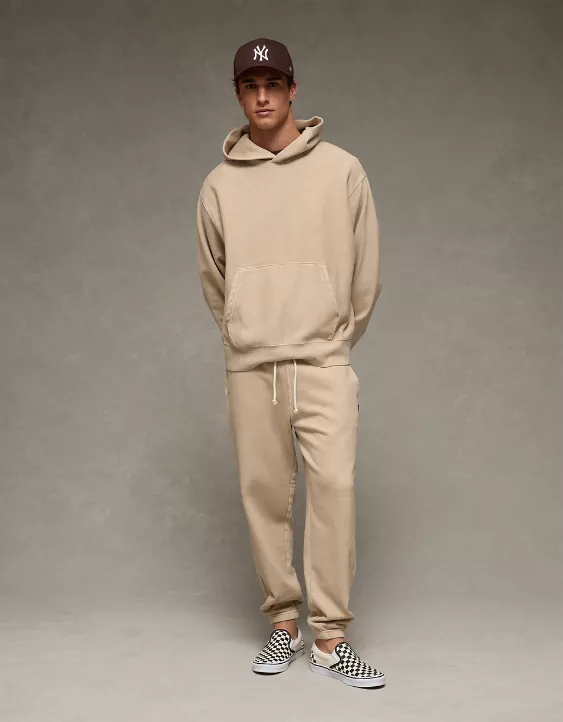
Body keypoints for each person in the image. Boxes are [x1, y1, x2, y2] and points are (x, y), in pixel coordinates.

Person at [195, 37, 385, 689]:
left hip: (323, 360)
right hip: (252, 365)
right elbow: (213, 278)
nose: (263, 97)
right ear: (238, 95)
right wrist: (244, 333)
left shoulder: (342, 170)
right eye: (250, 86)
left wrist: (333, 337)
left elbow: (366, 268)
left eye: (273, 84)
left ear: (294, 89)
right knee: (264, 496)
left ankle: (330, 637)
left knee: (334, 491)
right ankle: (283, 624)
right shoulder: (218, 185)